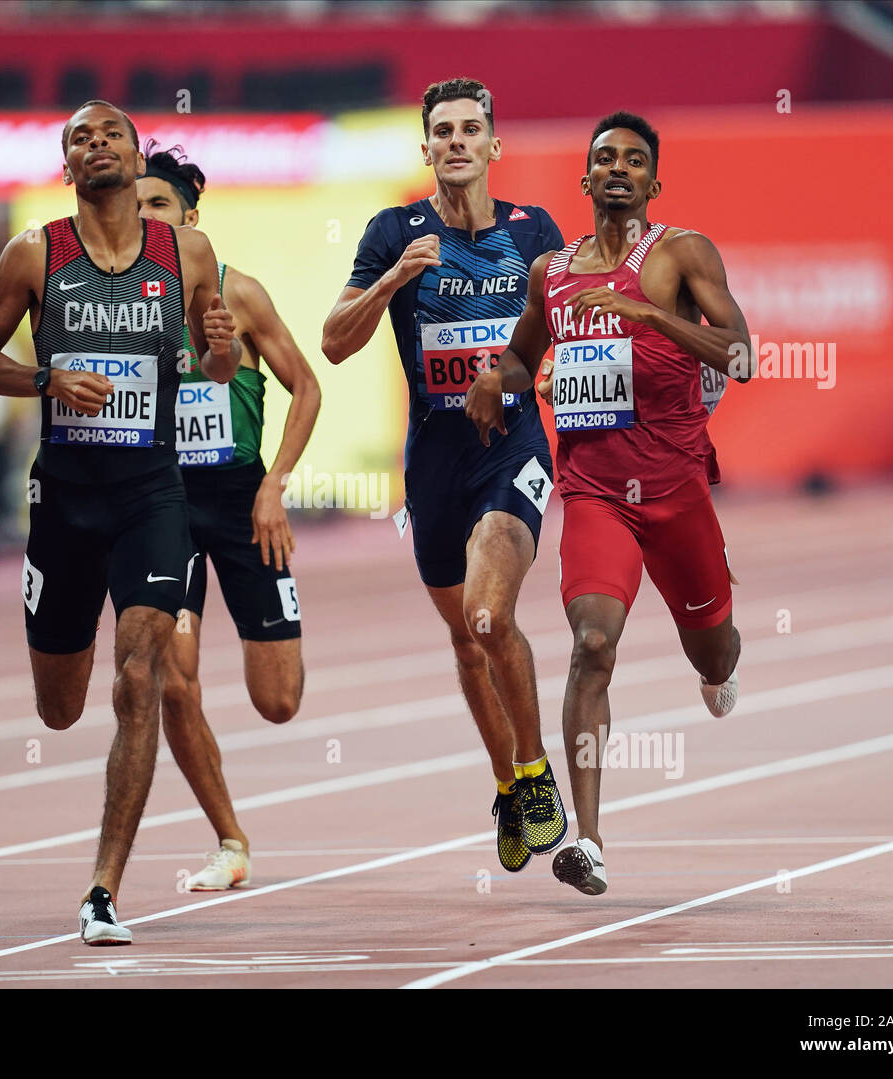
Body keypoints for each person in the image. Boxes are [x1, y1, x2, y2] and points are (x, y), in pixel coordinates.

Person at [0, 100, 241, 944]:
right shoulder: (35, 253)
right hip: (66, 500)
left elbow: (217, 365)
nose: (97, 145)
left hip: (153, 495)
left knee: (139, 676)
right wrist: (47, 382)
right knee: (61, 706)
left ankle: (103, 890)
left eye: (110, 132)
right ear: (67, 161)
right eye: (80, 137)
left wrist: (220, 344)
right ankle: (102, 876)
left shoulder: (185, 251)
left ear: (132, 149)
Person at [466, 111, 751, 895]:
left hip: (677, 488)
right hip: (594, 491)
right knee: (592, 643)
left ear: (654, 183)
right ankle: (588, 839)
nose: (617, 168)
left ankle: (719, 657)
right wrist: (498, 378)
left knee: (715, 654)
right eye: (603, 158)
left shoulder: (683, 254)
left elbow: (743, 353)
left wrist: (653, 316)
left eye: (633, 160)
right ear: (585, 180)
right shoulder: (551, 273)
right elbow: (527, 360)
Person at [323, 77, 568, 876]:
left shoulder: (534, 232)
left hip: (513, 441)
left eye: (471, 129)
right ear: (425, 148)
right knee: (465, 640)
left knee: (489, 616)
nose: (457, 141)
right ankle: (505, 783)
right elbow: (333, 342)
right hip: (433, 456)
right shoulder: (393, 230)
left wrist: (508, 371)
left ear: (495, 145)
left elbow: (568, 328)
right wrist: (394, 278)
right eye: (443, 131)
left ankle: (533, 772)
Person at [136, 142, 321, 890]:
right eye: (136, 204)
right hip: (165, 506)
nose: (145, 215)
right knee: (173, 682)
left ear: (191, 217)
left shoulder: (237, 295)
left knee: (277, 701)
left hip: (243, 499)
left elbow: (306, 387)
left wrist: (275, 484)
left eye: (159, 204)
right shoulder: (114, 305)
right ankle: (231, 840)